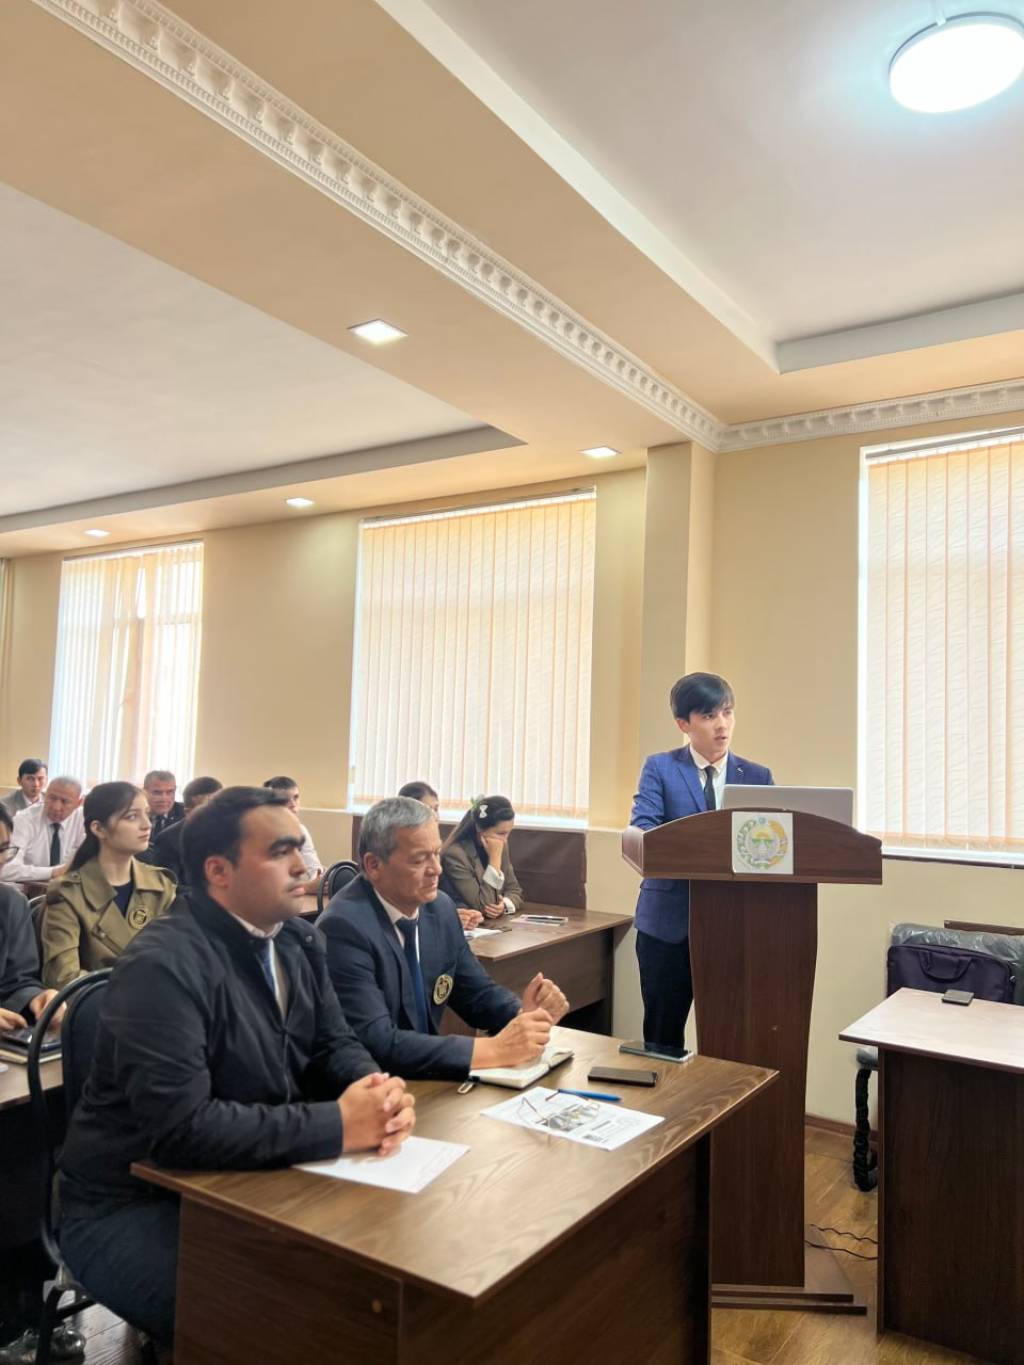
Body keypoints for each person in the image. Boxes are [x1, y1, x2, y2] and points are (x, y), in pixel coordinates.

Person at [57, 786, 414, 1350]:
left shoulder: (298, 940)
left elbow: (334, 1044)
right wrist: (341, 1124)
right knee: (296, 1320)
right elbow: (183, 1129)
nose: (303, 867)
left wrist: (375, 1091)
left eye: (299, 847)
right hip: (134, 1203)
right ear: (218, 871)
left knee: (383, 1279)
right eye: (279, 852)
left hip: (248, 1176)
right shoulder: (162, 963)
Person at [320, 797, 567, 1079]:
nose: (436, 868)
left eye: (436, 853)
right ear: (374, 865)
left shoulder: (440, 908)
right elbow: (377, 1042)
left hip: (425, 1079)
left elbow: (477, 994)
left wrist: (524, 1017)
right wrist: (493, 1050)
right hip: (372, 1088)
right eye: (419, 859)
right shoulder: (343, 928)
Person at [630, 671, 773, 1050]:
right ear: (684, 724)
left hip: (734, 925)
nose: (722, 725)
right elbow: (645, 829)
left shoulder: (757, 776)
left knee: (732, 1038)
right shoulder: (660, 768)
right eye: (709, 716)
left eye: (727, 712)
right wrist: (708, 846)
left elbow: (773, 846)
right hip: (667, 924)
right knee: (662, 1038)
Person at [39, 782, 177, 990]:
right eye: (132, 817)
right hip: (101, 1005)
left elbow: (179, 959)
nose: (146, 825)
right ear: (98, 828)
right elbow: (63, 979)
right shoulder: (68, 893)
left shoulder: (161, 885)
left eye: (147, 814)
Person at [397, 783, 482, 930]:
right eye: (428, 810)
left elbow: (449, 895)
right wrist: (445, 917)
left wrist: (462, 913)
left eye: (436, 809)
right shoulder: (396, 850)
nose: (435, 816)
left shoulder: (434, 848)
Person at [440, 795, 524, 918]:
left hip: (493, 923)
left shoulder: (501, 845)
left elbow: (515, 890)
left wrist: (504, 905)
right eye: (501, 833)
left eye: (508, 833)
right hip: (467, 922)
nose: (505, 840)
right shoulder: (455, 854)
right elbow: (485, 906)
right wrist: (494, 860)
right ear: (479, 828)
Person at [138, 776, 223, 886]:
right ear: (188, 813)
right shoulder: (168, 840)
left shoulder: (234, 833)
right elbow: (172, 886)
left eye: (221, 807)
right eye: (208, 810)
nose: (217, 814)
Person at [1, 777, 85, 885]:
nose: (56, 807)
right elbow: (6, 869)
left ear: (79, 803)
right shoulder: (24, 820)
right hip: (29, 890)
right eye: (52, 798)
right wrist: (54, 872)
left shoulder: (84, 820)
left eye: (65, 802)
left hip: (71, 889)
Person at [263, 777, 323, 892]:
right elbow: (265, 884)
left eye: (296, 797)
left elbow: (313, 866)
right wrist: (307, 887)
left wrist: (318, 881)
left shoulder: (301, 830)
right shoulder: (261, 833)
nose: (293, 804)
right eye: (285, 799)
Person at [142, 770, 185, 845]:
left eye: (169, 792)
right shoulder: (134, 814)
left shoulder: (185, 815)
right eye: (157, 793)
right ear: (144, 792)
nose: (164, 798)